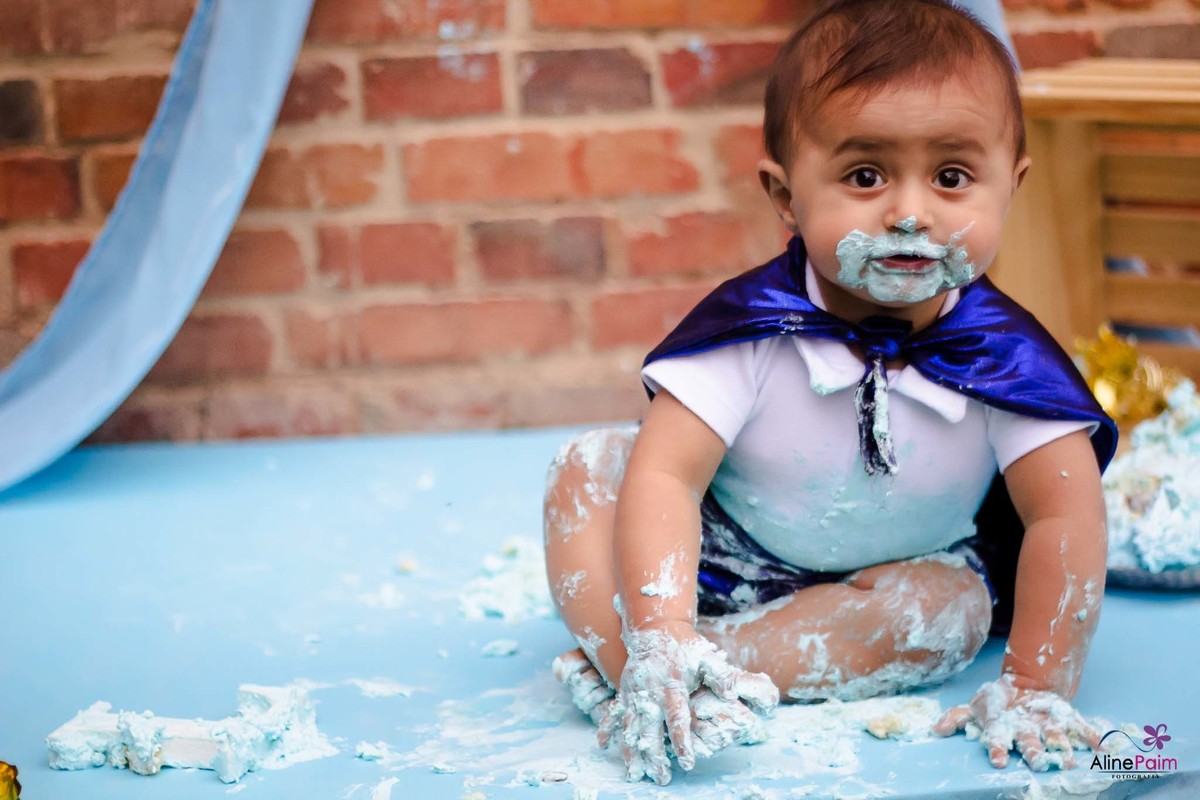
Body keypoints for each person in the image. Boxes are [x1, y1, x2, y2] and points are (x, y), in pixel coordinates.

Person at [543, 0, 1117, 786]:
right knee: (590, 469)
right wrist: (661, 628)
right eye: (865, 175)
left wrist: (1036, 685)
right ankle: (651, 667)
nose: (910, 213)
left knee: (951, 613)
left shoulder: (1007, 359)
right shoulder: (750, 331)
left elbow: (1065, 513)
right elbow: (667, 476)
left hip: (897, 575)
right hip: (722, 558)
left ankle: (711, 673)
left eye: (952, 177)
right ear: (785, 196)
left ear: (1009, 186)